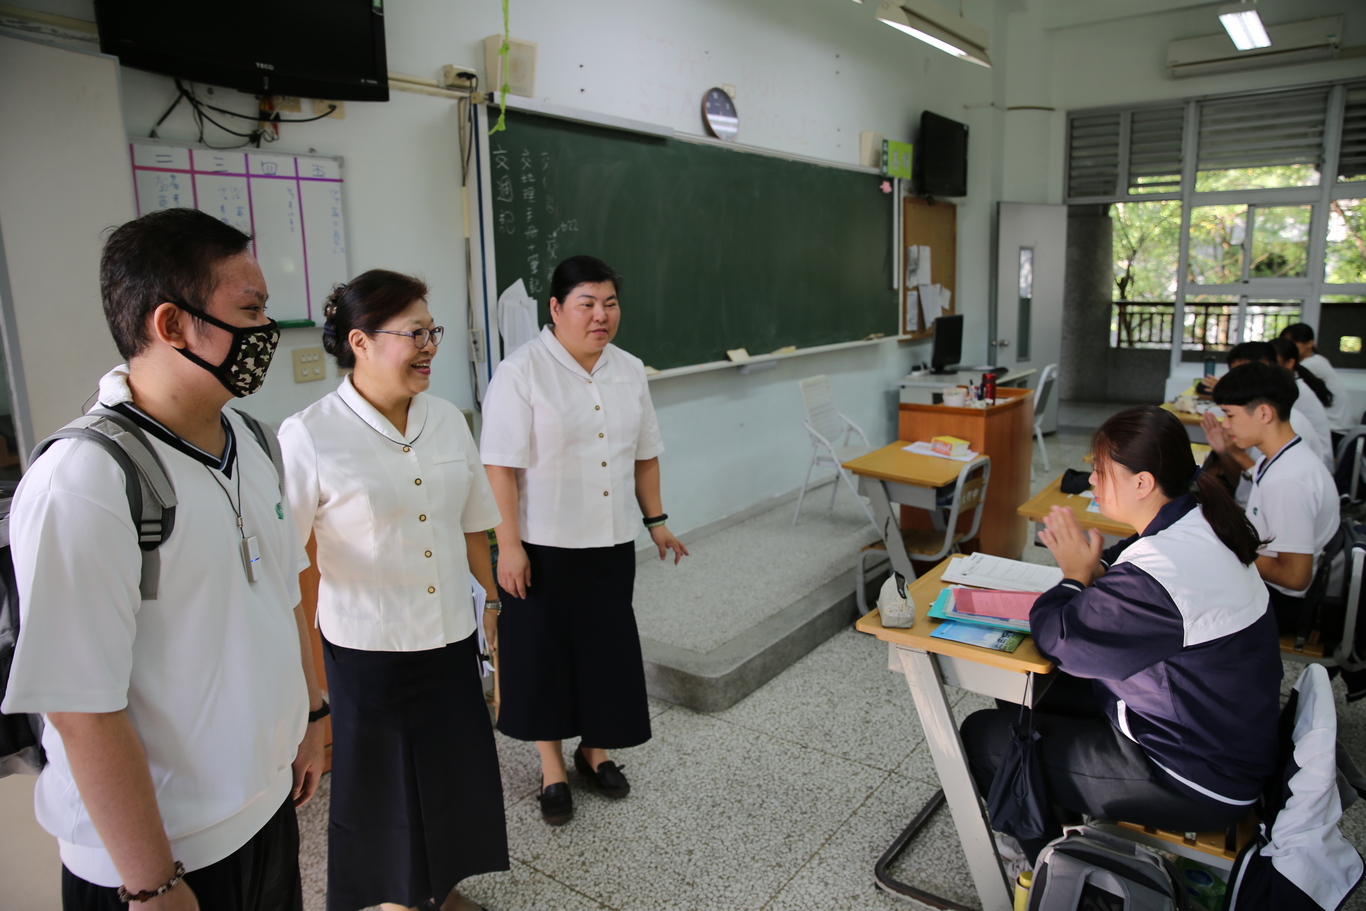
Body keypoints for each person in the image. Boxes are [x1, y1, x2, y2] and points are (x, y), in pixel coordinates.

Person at [1, 207, 325, 910]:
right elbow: (80, 706)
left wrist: (313, 712)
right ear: (172, 325)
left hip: (264, 813)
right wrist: (152, 882)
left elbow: (285, 592)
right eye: (251, 309)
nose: (266, 330)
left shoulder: (255, 441)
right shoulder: (86, 480)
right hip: (156, 860)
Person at [961, 405, 1281, 864]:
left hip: (1192, 775)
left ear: (1143, 482)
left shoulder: (1164, 574)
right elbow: (1127, 559)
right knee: (1024, 693)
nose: (1091, 480)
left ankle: (1049, 864)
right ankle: (1055, 808)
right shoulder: (1200, 518)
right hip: (1213, 734)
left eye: (1099, 470)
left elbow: (1059, 637)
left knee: (981, 735)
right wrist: (1095, 569)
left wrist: (1074, 577)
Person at [279, 271, 507, 911]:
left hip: (447, 634)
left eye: (431, 331)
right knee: (382, 791)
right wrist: (310, 671)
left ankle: (442, 887)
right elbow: (298, 563)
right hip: (368, 647)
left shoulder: (447, 420)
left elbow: (472, 524)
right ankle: (391, 901)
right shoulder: (311, 434)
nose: (429, 344)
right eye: (415, 333)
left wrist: (491, 606)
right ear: (361, 341)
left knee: (450, 774)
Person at [480, 255, 689, 826]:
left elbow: (645, 455)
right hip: (541, 546)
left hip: (611, 542)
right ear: (556, 308)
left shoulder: (628, 369)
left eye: (610, 303)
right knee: (542, 657)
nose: (601, 315)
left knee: (606, 653)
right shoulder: (521, 371)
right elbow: (498, 467)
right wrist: (510, 545)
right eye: (587, 304)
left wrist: (656, 521)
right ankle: (551, 769)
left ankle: (594, 752)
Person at [1211, 362, 1338, 634]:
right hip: (1275, 589)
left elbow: (1295, 578)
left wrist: (1228, 547)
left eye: (1229, 415)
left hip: (1282, 604)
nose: (1225, 424)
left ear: (1264, 413)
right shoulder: (1285, 456)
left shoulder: (1287, 481)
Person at [1200, 342, 1330, 486]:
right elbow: (1245, 486)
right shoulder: (1257, 428)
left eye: (1230, 415)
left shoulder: (1284, 428)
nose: (1238, 382)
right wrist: (1227, 451)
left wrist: (1236, 454)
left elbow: (1270, 484)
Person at [1281, 323, 1355, 447]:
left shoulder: (1312, 364)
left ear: (1310, 343)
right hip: (1336, 429)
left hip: (1336, 431)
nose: (1288, 347)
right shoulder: (1317, 361)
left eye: (1293, 342)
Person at [1270, 336, 1335, 472]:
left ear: (1289, 363)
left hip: (1317, 462)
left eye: (1272, 362)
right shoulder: (1294, 383)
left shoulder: (1291, 390)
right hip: (1310, 455)